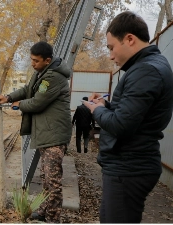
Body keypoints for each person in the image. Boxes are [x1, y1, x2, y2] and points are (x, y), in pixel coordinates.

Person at [83, 11, 173, 223]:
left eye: (112, 47)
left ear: (130, 39)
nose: (111, 55)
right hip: (129, 165)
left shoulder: (146, 71)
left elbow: (121, 124)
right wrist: (106, 105)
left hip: (129, 168)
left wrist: (96, 110)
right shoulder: (149, 66)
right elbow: (134, 114)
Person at [0, 41, 72, 223]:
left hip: (54, 135)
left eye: (36, 61)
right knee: (45, 178)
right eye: (31, 60)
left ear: (47, 60)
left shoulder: (52, 78)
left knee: (53, 181)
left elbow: (37, 102)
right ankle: (45, 211)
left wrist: (19, 104)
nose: (32, 64)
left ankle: (53, 218)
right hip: (47, 133)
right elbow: (27, 90)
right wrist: (9, 96)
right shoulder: (41, 73)